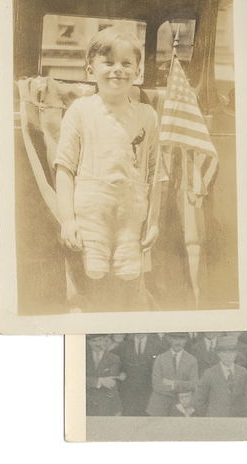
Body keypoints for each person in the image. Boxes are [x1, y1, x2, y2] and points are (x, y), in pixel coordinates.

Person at [53, 26, 162, 296]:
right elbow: (64, 168)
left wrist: (154, 221)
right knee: (94, 270)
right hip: (92, 206)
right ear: (90, 70)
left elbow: (156, 174)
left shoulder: (147, 116)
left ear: (138, 71)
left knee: (129, 272)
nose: (118, 70)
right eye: (109, 62)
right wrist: (67, 220)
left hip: (132, 206)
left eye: (127, 63)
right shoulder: (81, 111)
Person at [146, 334, 201, 417]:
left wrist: (173, 384)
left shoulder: (192, 360)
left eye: (181, 339)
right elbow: (156, 385)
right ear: (169, 339)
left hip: (181, 405)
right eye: (175, 339)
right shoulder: (160, 359)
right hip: (160, 405)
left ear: (186, 340)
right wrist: (182, 387)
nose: (178, 342)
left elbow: (194, 384)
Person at [86, 334, 126, 416]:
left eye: (100, 340)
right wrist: (100, 381)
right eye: (94, 341)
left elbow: (110, 382)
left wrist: (90, 380)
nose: (97, 344)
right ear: (88, 342)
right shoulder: (81, 357)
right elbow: (75, 379)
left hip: (106, 405)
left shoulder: (114, 358)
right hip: (86, 404)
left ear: (105, 341)